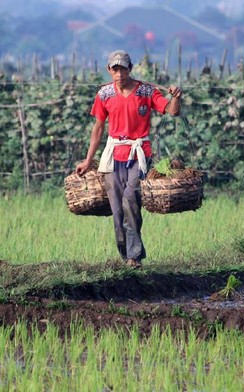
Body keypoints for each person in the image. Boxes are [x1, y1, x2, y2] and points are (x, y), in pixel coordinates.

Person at [76, 50, 182, 269]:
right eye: (115, 69)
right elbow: (98, 129)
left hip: (139, 153)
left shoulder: (146, 91)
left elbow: (171, 111)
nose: (119, 73)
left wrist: (175, 98)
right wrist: (88, 160)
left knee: (130, 200)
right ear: (109, 70)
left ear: (130, 68)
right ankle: (125, 255)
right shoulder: (104, 94)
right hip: (114, 155)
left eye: (123, 68)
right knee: (116, 209)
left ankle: (134, 256)